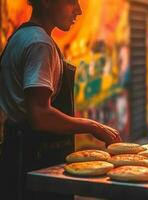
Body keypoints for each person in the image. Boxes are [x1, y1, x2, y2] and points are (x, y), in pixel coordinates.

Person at [0, 0, 121, 199]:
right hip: (32, 156)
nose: (79, 11)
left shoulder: (22, 35)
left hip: (18, 150)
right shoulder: (39, 44)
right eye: (71, 2)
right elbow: (40, 115)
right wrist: (94, 127)